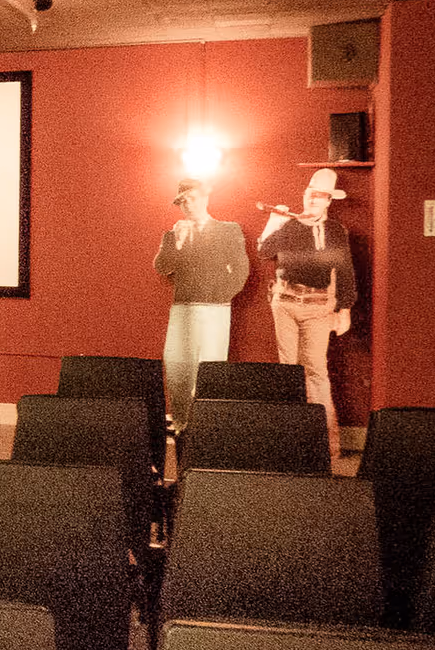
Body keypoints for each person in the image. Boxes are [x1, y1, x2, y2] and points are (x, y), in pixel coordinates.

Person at [256, 167, 358, 466]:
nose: (315, 199)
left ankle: (327, 448)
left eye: (322, 196)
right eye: (312, 194)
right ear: (305, 195)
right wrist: (275, 221)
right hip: (285, 301)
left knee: (315, 372)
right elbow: (264, 252)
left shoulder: (336, 231)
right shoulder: (290, 224)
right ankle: (291, 445)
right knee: (289, 370)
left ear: (329, 201)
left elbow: (346, 270)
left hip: (318, 307)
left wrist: (345, 308)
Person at [153, 178, 249, 432]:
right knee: (176, 367)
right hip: (183, 307)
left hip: (215, 309)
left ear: (205, 198)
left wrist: (221, 296)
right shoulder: (173, 234)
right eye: (182, 201)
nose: (188, 205)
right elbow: (163, 267)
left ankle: (206, 426)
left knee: (210, 367)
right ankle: (182, 422)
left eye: (192, 198)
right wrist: (178, 241)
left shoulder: (228, 230)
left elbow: (241, 269)